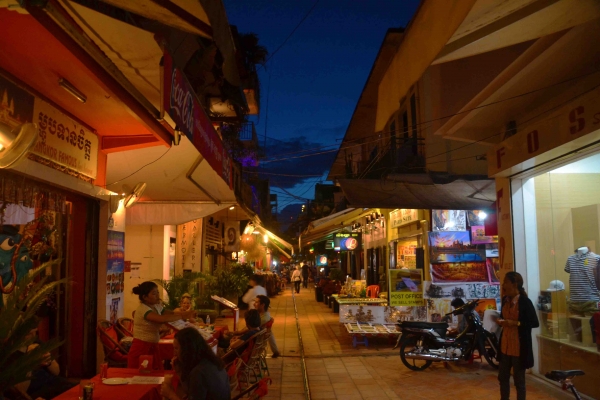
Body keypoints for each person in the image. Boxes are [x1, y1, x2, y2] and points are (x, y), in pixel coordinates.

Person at [128, 281, 195, 370]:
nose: (157, 295)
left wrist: (184, 313)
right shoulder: (143, 309)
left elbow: (170, 313)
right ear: (145, 297)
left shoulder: (156, 306)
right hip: (141, 348)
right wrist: (182, 315)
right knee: (140, 377)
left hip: (153, 345)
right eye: (154, 294)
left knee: (155, 375)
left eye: (158, 292)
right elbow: (162, 319)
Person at [497, 271, 539, 400]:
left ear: (514, 284)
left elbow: (534, 322)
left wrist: (515, 323)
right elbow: (503, 317)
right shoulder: (505, 300)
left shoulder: (525, 302)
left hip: (519, 347)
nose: (503, 285)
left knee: (519, 380)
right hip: (505, 346)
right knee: (503, 377)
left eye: (506, 282)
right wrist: (500, 321)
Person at [160, 328, 230, 400]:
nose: (174, 353)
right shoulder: (209, 361)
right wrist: (179, 371)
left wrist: (170, 394)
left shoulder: (199, 372)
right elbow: (191, 391)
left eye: (176, 348)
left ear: (187, 349)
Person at [7, 328, 76, 400]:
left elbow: (57, 371)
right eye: (29, 333)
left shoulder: (36, 342)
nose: (33, 335)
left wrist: (49, 361)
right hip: (38, 392)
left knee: (81, 389)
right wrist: (29, 359)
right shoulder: (10, 352)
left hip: (56, 382)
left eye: (35, 331)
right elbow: (20, 390)